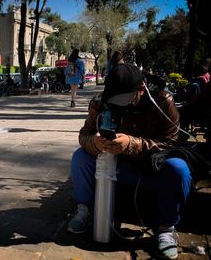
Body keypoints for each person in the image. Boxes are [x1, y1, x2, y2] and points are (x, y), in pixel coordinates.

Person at [68, 63, 191, 260]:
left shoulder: (162, 100)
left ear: (140, 90)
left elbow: (173, 141)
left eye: (123, 100)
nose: (118, 106)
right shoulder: (100, 102)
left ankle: (166, 227)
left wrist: (132, 144)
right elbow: (84, 135)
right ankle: (85, 209)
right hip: (114, 165)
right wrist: (95, 143)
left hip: (150, 167)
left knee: (178, 168)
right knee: (80, 157)